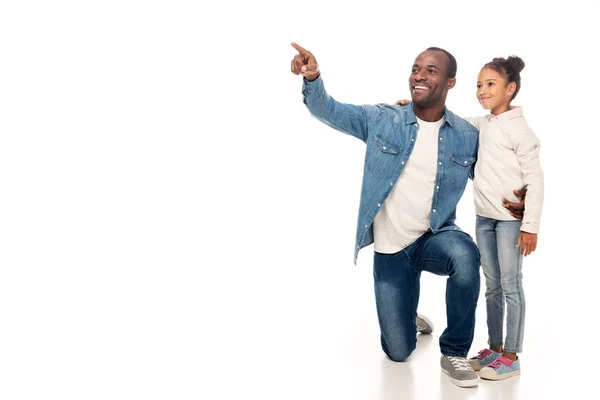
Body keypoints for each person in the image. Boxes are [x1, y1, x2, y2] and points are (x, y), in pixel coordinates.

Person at [290, 42, 525, 388]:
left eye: (431, 71)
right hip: (391, 249)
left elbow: (494, 170)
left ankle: (455, 351)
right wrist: (313, 77)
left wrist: (520, 199)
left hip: (435, 236)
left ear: (450, 83)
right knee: (398, 352)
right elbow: (330, 110)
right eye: (416, 69)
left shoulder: (465, 134)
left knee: (465, 255)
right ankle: (407, 316)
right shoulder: (384, 119)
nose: (419, 75)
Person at [462, 56, 544, 380]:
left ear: (510, 89)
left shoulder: (519, 129)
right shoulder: (487, 123)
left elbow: (536, 178)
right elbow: (455, 121)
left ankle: (511, 355)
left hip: (510, 222)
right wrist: (422, 110)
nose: (482, 90)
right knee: (492, 285)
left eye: (490, 84)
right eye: (479, 85)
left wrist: (530, 226)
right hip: (484, 218)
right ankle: (494, 348)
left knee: (510, 285)